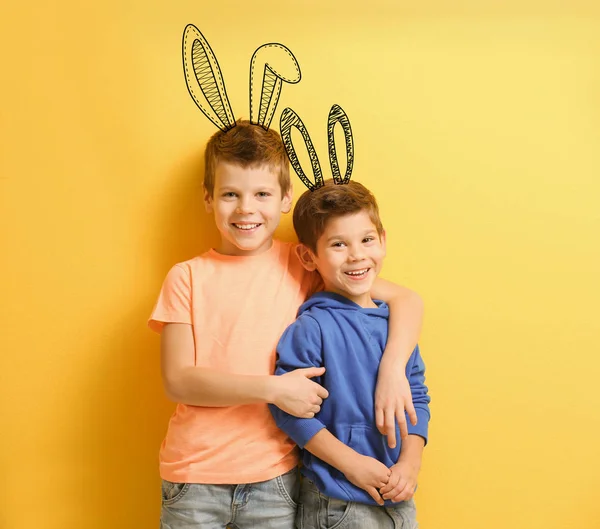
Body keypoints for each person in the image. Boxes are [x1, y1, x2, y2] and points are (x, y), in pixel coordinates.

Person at [148, 122, 424, 528]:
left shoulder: (304, 263)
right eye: (230, 194)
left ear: (284, 198)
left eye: (261, 194)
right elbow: (178, 380)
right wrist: (275, 390)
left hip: (275, 480)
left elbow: (407, 299)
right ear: (208, 198)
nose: (246, 209)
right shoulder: (186, 276)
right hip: (194, 475)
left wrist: (393, 370)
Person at [269, 179, 431, 529]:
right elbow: (290, 412)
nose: (357, 255)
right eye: (338, 244)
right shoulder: (312, 327)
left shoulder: (397, 328)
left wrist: (410, 465)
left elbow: (417, 396)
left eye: (367, 240)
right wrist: (351, 464)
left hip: (398, 498)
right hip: (336, 501)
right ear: (308, 256)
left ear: (383, 240)